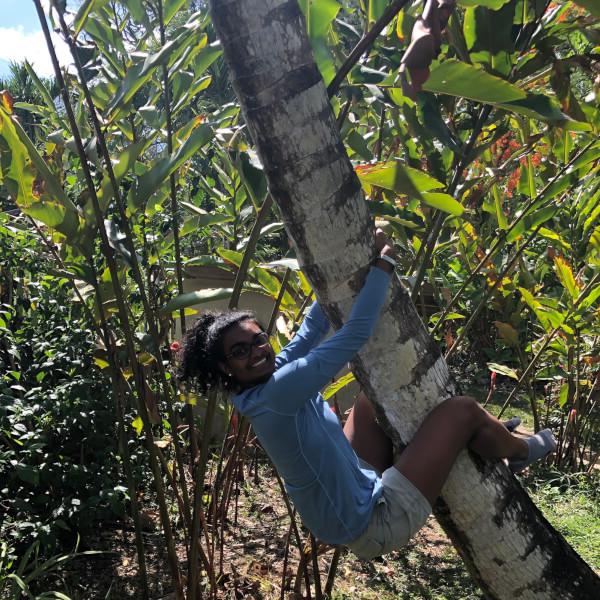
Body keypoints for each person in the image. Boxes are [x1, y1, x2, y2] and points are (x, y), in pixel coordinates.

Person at [179, 229, 556, 560]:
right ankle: (520, 451)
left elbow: (310, 331)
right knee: (462, 410)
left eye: (257, 338)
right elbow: (353, 335)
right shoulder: (276, 392)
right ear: (224, 367)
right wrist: (383, 266)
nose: (256, 350)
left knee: (372, 397)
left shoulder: (258, 382)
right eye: (239, 351)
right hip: (375, 523)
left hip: (354, 491)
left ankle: (486, 434)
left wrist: (349, 268)